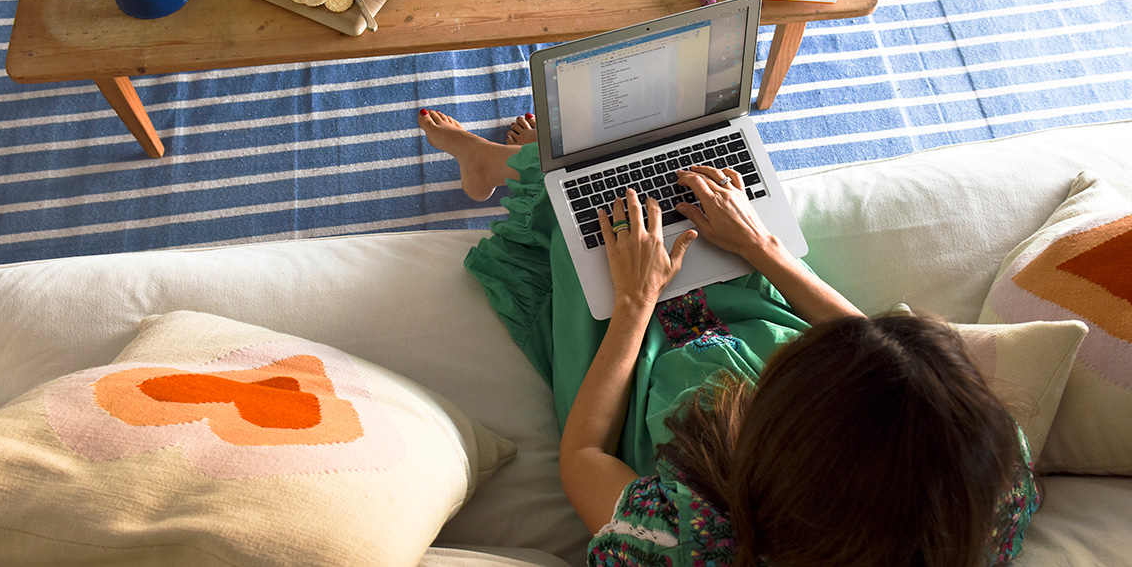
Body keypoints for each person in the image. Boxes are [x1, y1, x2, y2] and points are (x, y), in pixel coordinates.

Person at [418, 108, 1040, 567]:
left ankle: (491, 162)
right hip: (744, 318)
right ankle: (511, 161)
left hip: (639, 373)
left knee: (596, 218)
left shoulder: (683, 542)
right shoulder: (985, 468)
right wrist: (763, 246)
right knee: (683, 181)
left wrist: (633, 303)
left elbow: (583, 455)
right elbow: (880, 358)